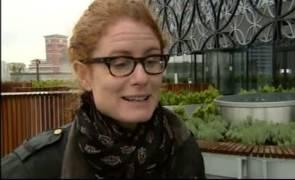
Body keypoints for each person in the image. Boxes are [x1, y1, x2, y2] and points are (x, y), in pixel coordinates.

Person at [1, 0, 205, 178]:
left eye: (152, 60)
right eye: (120, 63)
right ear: (84, 75)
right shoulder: (34, 168)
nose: (142, 77)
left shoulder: (183, 149)